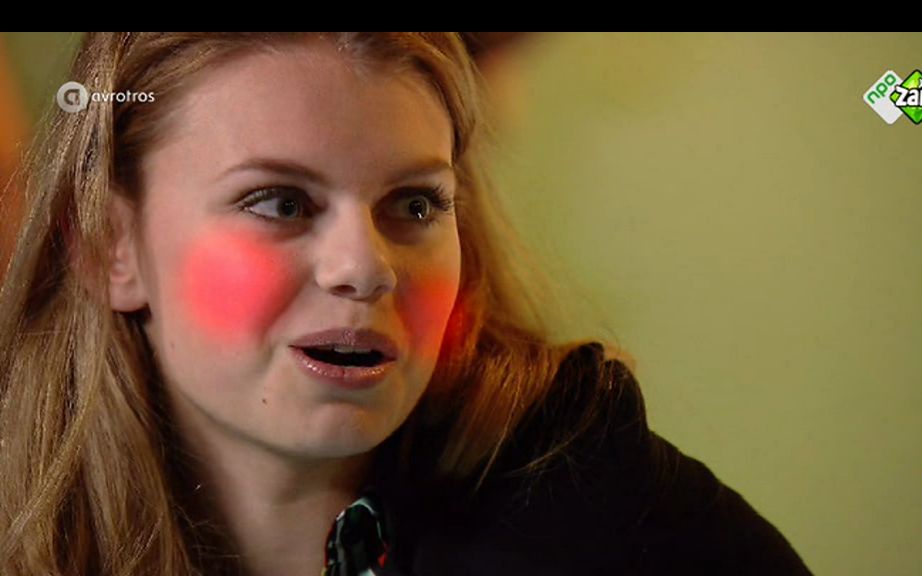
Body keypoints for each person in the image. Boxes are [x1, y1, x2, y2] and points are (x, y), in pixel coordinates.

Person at [0, 32, 812, 575]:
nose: (365, 268)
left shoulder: (589, 494)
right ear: (107, 246)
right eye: (281, 202)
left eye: (415, 205)